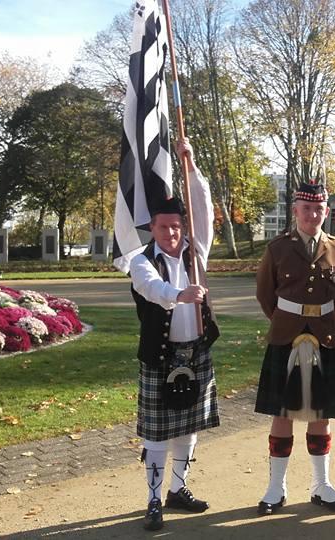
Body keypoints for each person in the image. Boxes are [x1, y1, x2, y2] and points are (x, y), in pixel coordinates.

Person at [128, 138, 220, 531]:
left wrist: (191, 164)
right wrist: (178, 295)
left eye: (177, 226)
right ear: (153, 227)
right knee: (158, 434)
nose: (172, 233)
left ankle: (178, 490)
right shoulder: (141, 261)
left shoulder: (195, 250)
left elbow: (206, 210)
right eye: (165, 227)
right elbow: (150, 287)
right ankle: (152, 499)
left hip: (196, 351)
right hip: (161, 355)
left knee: (189, 427)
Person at [254, 179, 335, 516]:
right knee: (282, 414)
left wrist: (324, 321)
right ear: (295, 210)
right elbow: (266, 294)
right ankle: (276, 487)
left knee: (321, 414)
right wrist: (286, 320)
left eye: (318, 208)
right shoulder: (277, 248)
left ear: (326, 211)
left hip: (324, 337)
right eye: (306, 208)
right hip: (286, 337)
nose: (312, 214)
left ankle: (320, 485)